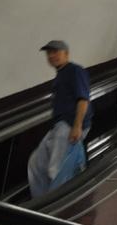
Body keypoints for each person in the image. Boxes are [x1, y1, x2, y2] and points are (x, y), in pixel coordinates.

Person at [28, 41, 93, 197]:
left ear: (66, 54)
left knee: (56, 168)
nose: (51, 56)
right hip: (59, 125)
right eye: (49, 53)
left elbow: (83, 99)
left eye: (56, 52)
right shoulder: (61, 74)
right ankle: (40, 201)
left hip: (70, 125)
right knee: (36, 162)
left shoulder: (75, 71)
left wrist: (77, 126)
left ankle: (55, 205)